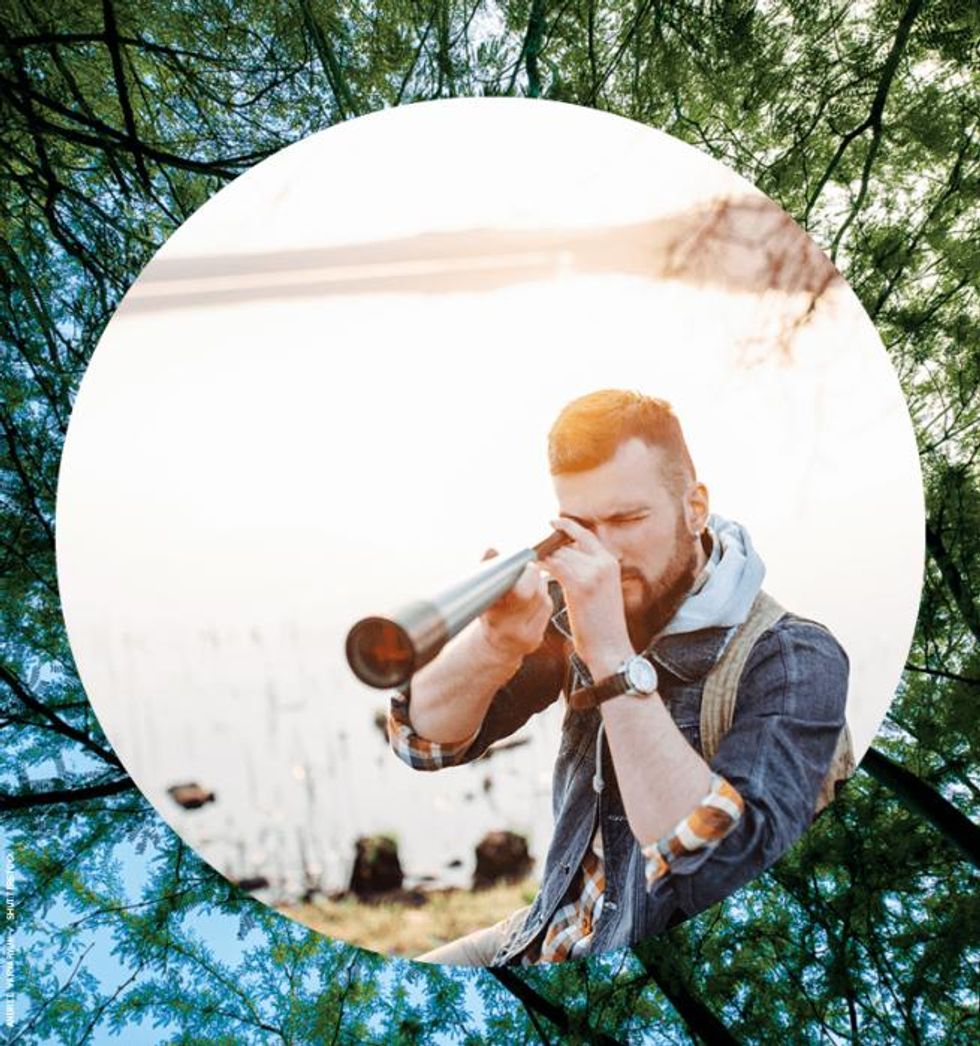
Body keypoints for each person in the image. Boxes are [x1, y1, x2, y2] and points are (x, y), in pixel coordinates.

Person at [386, 389, 850, 965]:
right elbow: (422, 742)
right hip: (551, 925)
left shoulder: (792, 658)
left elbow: (723, 875)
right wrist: (495, 642)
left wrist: (609, 655)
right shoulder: (574, 606)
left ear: (695, 507)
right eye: (580, 527)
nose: (604, 554)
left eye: (627, 519)